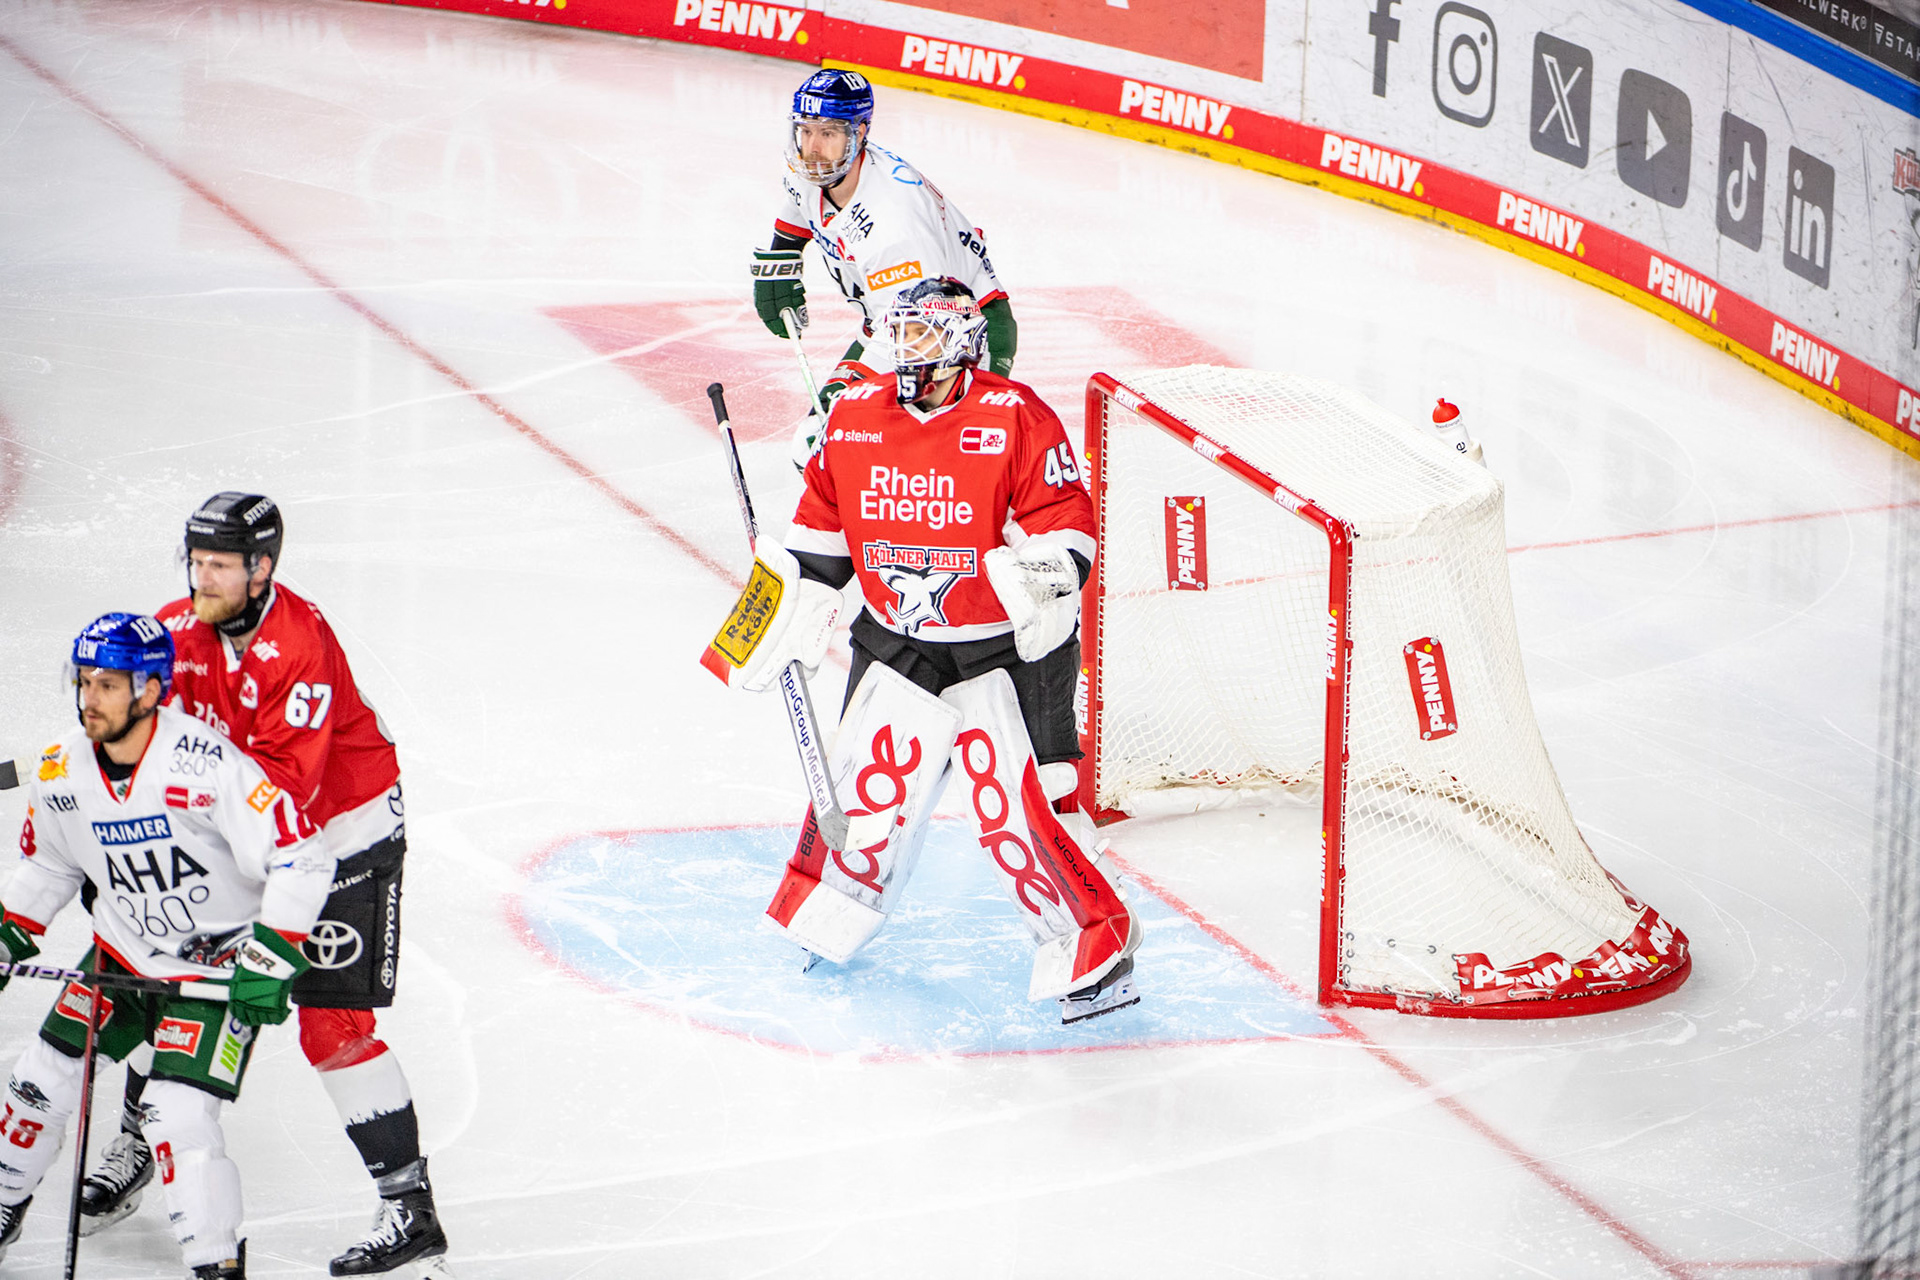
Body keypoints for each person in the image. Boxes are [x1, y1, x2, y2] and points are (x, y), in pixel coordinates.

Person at [704, 278, 1142, 1023]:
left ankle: (1094, 950)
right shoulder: (855, 419)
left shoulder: (1015, 417)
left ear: (965, 341)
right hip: (897, 640)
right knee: (865, 789)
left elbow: (1069, 527)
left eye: (924, 334)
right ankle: (831, 911)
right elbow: (818, 546)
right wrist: (777, 616)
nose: (907, 348)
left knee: (1020, 814)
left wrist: (1034, 579)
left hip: (1000, 651)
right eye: (899, 333)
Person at [79, 494, 448, 1277]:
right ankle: (141, 1141)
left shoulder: (299, 642)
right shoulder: (174, 632)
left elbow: (288, 798)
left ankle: (409, 1209)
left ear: (261, 568)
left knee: (332, 1025)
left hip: (341, 836)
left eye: (218, 564)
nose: (200, 577)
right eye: (196, 561)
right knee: (161, 966)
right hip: (241, 832)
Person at [0, 612, 335, 1277]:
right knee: (38, 1083)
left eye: (108, 684)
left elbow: (301, 853)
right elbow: (51, 865)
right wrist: (11, 930)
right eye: (84, 681)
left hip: (215, 969)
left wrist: (269, 957)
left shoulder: (207, 767)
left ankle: (216, 1264)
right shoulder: (63, 769)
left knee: (176, 1114)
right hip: (122, 956)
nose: (89, 698)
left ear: (151, 689)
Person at [752, 68, 1019, 468]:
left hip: (962, 335)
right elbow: (798, 204)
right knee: (831, 450)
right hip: (895, 323)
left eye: (828, 133)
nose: (813, 147)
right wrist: (783, 254)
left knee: (927, 467)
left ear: (859, 134)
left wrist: (850, 395)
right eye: (806, 131)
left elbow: (923, 329)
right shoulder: (815, 170)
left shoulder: (894, 224)